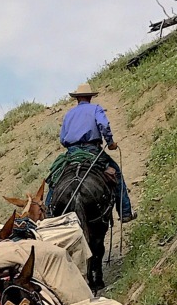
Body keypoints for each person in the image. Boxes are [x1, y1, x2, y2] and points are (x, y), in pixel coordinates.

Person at [55, 83, 134, 219]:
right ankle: (125, 212)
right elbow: (103, 125)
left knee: (54, 177)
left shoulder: (69, 114)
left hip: (73, 152)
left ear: (77, 99)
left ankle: (49, 213)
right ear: (90, 97)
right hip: (92, 150)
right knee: (117, 174)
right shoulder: (96, 109)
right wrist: (110, 143)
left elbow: (63, 139)